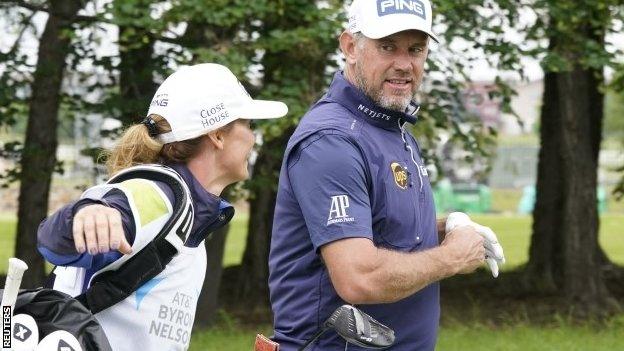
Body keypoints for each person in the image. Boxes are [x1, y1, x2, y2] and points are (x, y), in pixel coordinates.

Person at [268, 0, 505, 350]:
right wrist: (452, 257)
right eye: (387, 47)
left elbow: (381, 225)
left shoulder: (392, 129)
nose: (404, 64)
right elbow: (359, 278)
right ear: (350, 47)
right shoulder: (333, 141)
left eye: (416, 49)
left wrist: (446, 227)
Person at [37, 63, 288, 351]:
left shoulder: (189, 215)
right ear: (218, 135)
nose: (253, 138)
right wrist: (88, 212)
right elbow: (58, 240)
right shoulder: (159, 196)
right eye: (248, 124)